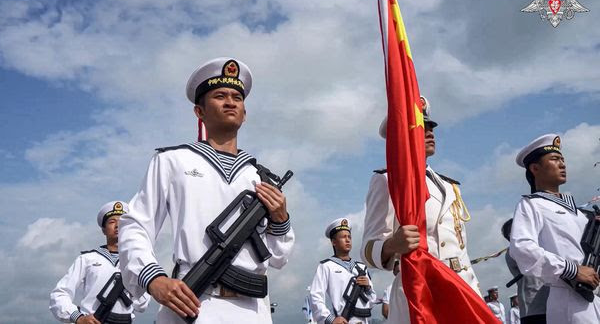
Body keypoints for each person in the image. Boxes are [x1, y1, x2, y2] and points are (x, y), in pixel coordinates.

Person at [118, 57, 295, 324]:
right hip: (193, 302)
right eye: (220, 96)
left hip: (253, 310)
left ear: (245, 114)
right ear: (199, 112)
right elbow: (135, 225)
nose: (230, 102)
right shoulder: (172, 161)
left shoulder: (259, 177)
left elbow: (279, 257)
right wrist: (153, 278)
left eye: (237, 97)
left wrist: (281, 219)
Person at [360, 96, 481, 323]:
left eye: (431, 127)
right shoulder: (387, 181)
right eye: (421, 127)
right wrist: (391, 245)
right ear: (402, 137)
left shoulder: (449, 186)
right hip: (421, 292)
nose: (430, 132)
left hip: (462, 288)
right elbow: (367, 250)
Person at [510, 133, 600, 324]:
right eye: (554, 159)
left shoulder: (578, 212)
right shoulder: (531, 205)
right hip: (568, 295)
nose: (562, 164)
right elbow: (522, 248)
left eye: (563, 159)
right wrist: (572, 270)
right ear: (535, 168)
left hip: (594, 294)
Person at [50, 201, 150, 323]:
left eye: (122, 222)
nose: (118, 225)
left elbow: (142, 305)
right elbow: (59, 294)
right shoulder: (88, 259)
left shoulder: (136, 261)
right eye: (112, 222)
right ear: (103, 229)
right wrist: (79, 318)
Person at [310, 218, 377, 324]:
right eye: (343, 237)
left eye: (349, 237)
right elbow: (315, 296)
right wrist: (330, 319)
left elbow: (372, 301)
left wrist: (368, 288)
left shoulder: (361, 267)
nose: (348, 240)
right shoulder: (326, 266)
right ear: (334, 242)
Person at [502, 219, 548, 324]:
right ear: (511, 235)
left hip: (549, 304)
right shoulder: (513, 251)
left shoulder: (534, 246)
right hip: (533, 308)